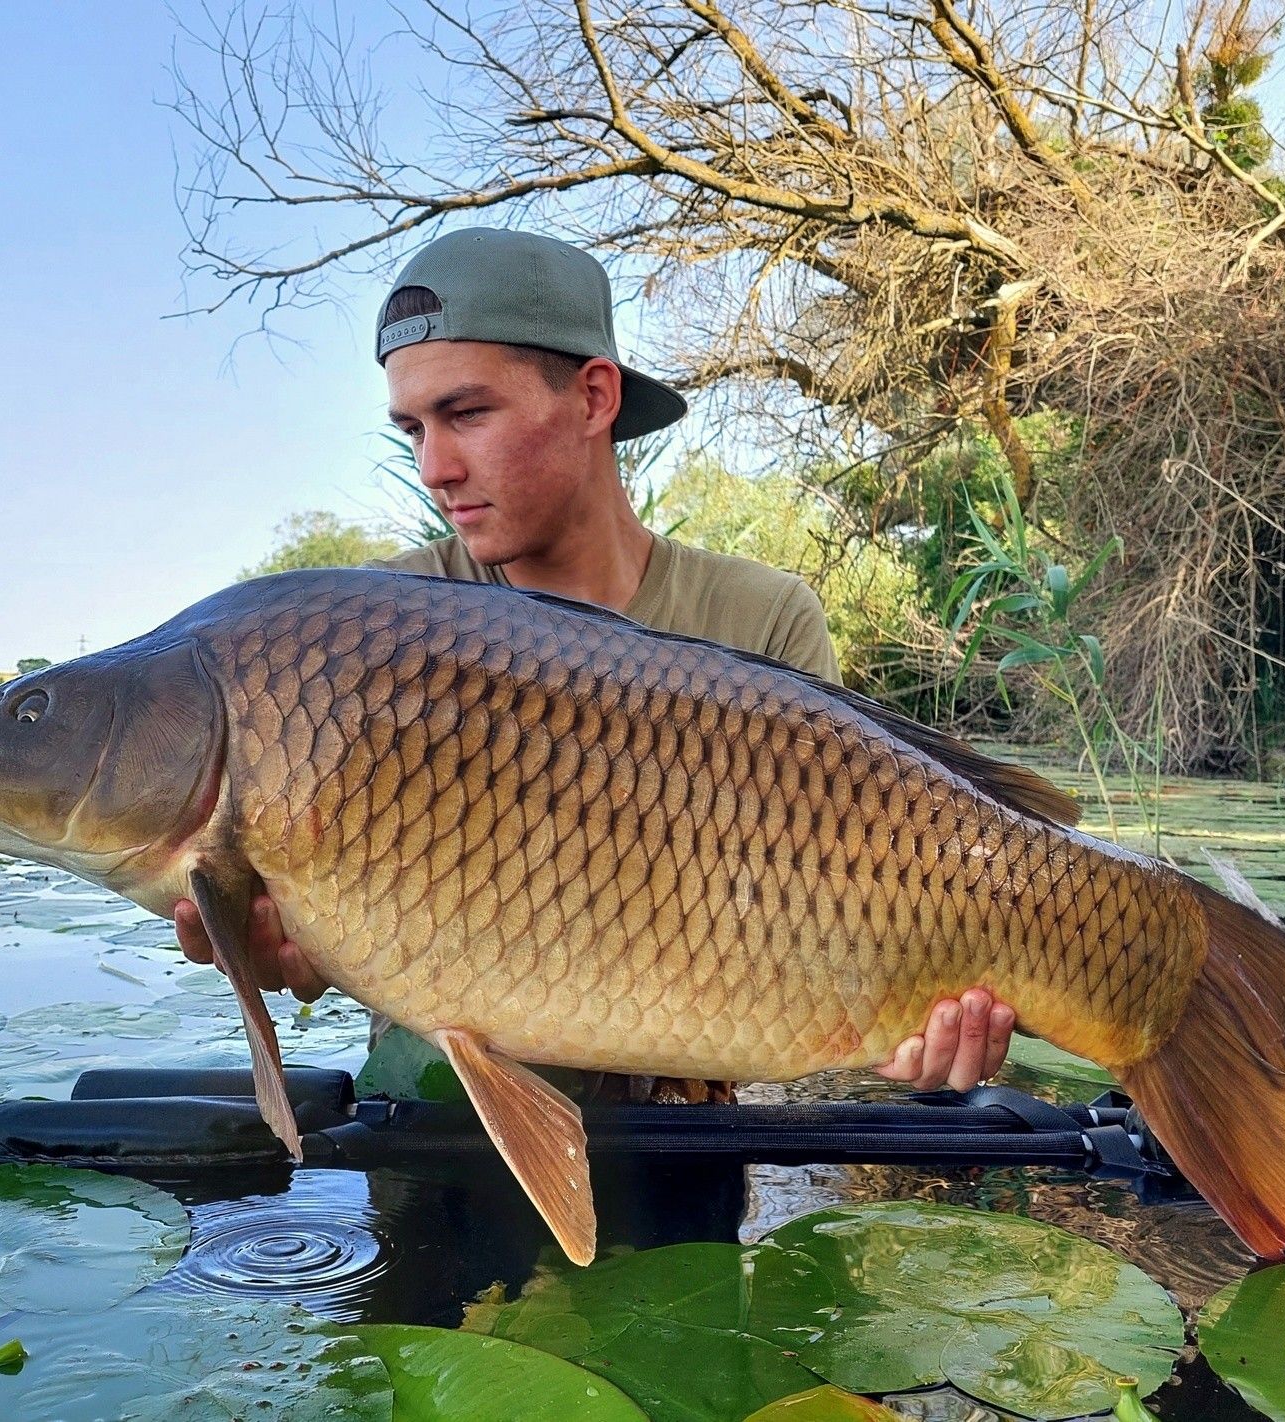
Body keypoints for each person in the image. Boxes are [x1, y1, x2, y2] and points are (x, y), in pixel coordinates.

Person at [177, 227, 1015, 1096]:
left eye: (466, 414)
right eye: (412, 428)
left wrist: (917, 1028)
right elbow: (315, 935)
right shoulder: (367, 634)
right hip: (442, 1119)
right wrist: (283, 951)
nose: (435, 466)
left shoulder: (759, 619)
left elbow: (856, 918)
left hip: (687, 1138)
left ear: (593, 397)